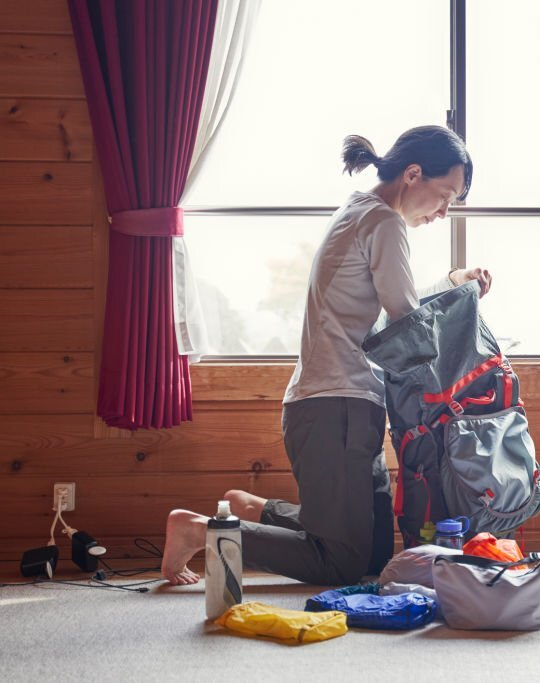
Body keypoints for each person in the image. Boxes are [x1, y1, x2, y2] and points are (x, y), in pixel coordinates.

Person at [161, 125, 491, 586]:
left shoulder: (361, 212)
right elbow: (406, 325)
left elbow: (391, 311)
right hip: (336, 405)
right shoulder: (383, 222)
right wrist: (464, 322)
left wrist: (453, 285)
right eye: (446, 196)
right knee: (343, 563)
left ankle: (255, 511)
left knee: (374, 556)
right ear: (414, 174)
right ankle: (202, 531)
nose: (443, 212)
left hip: (339, 402)